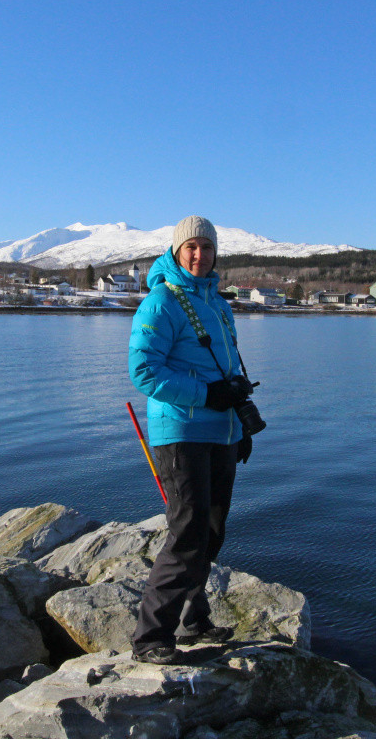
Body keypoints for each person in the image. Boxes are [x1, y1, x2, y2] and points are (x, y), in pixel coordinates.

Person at [127, 215, 257, 664]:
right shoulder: (161, 301)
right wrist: (205, 395)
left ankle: (193, 619)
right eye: (191, 247)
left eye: (207, 247)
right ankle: (150, 637)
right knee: (188, 532)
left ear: (216, 253)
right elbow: (144, 371)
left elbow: (228, 372)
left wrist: (239, 426)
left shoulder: (218, 304)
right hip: (180, 431)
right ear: (177, 251)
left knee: (213, 531)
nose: (199, 255)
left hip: (221, 432)